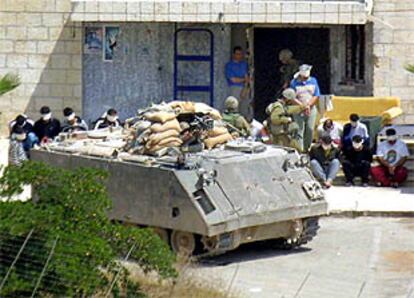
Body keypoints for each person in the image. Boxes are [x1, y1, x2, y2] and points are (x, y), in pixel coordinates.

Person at [290, 64, 321, 152]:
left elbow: (316, 95)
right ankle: (300, 150)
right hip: (298, 109)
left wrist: (308, 105)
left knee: (310, 129)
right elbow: (292, 97)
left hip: (311, 108)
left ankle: (307, 148)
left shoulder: (313, 81)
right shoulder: (294, 82)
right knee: (299, 129)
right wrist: (303, 106)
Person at [225, 46, 250, 118]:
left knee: (245, 107)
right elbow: (233, 79)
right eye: (237, 54)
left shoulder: (244, 64)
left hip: (244, 87)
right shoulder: (229, 65)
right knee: (235, 107)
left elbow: (246, 75)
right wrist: (244, 80)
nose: (239, 56)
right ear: (234, 55)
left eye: (240, 54)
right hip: (235, 88)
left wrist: (246, 84)